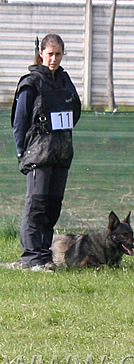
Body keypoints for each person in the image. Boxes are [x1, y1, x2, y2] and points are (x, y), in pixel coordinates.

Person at [10, 34, 81, 271]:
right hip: (37, 155)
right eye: (50, 54)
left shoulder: (64, 81)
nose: (53, 59)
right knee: (36, 206)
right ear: (41, 53)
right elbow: (19, 122)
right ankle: (32, 258)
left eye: (58, 54)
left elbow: (75, 111)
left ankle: (44, 256)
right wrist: (22, 153)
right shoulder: (31, 82)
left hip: (61, 154)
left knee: (53, 206)